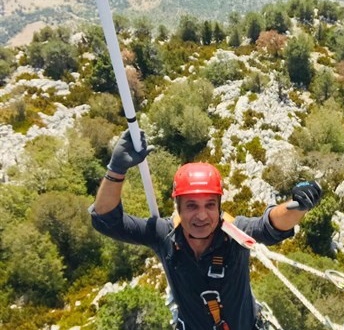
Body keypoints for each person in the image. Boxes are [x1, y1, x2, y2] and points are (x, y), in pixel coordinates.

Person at [90, 130, 322, 330]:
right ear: (178, 207)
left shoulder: (235, 234)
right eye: (191, 205)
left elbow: (270, 225)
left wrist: (299, 206)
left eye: (210, 205)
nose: (202, 215)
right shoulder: (164, 235)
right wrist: (116, 170)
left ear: (219, 206)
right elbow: (106, 220)